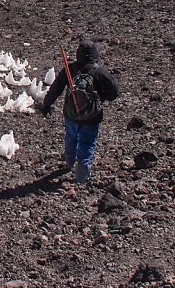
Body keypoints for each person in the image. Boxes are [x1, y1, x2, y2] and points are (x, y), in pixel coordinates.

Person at [38, 40, 117, 183]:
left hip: (72, 115)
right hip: (92, 117)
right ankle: (82, 174)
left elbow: (57, 88)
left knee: (71, 137)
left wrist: (47, 104)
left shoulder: (70, 70)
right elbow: (114, 92)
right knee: (87, 142)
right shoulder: (100, 72)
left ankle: (69, 161)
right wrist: (101, 98)